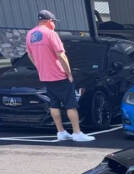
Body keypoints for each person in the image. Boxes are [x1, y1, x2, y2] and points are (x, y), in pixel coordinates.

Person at [25, 10, 94, 142]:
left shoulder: (30, 34)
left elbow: (29, 54)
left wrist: (39, 67)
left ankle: (61, 131)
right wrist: (68, 73)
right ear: (49, 21)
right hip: (58, 75)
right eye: (54, 22)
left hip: (45, 75)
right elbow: (61, 55)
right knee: (71, 104)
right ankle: (77, 133)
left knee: (54, 104)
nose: (54, 25)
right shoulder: (51, 34)